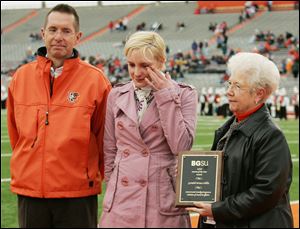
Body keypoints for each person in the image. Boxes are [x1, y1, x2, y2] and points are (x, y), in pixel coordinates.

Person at [6, 4, 111, 228]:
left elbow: (104, 139)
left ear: (78, 36)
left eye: (66, 31)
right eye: (53, 30)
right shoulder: (21, 77)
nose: (58, 37)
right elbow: (16, 136)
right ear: (43, 33)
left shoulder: (96, 81)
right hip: (31, 191)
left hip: (77, 193)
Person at [99, 31, 198, 228]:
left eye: (145, 65)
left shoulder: (185, 94)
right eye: (131, 65)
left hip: (161, 197)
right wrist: (114, 186)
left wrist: (165, 94)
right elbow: (109, 148)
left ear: (162, 62)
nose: (136, 73)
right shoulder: (116, 94)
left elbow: (182, 147)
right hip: (121, 200)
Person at [186, 52, 293, 228]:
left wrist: (218, 210)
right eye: (229, 84)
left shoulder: (271, 136)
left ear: (258, 94)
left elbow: (266, 192)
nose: (228, 91)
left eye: (237, 86)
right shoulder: (230, 126)